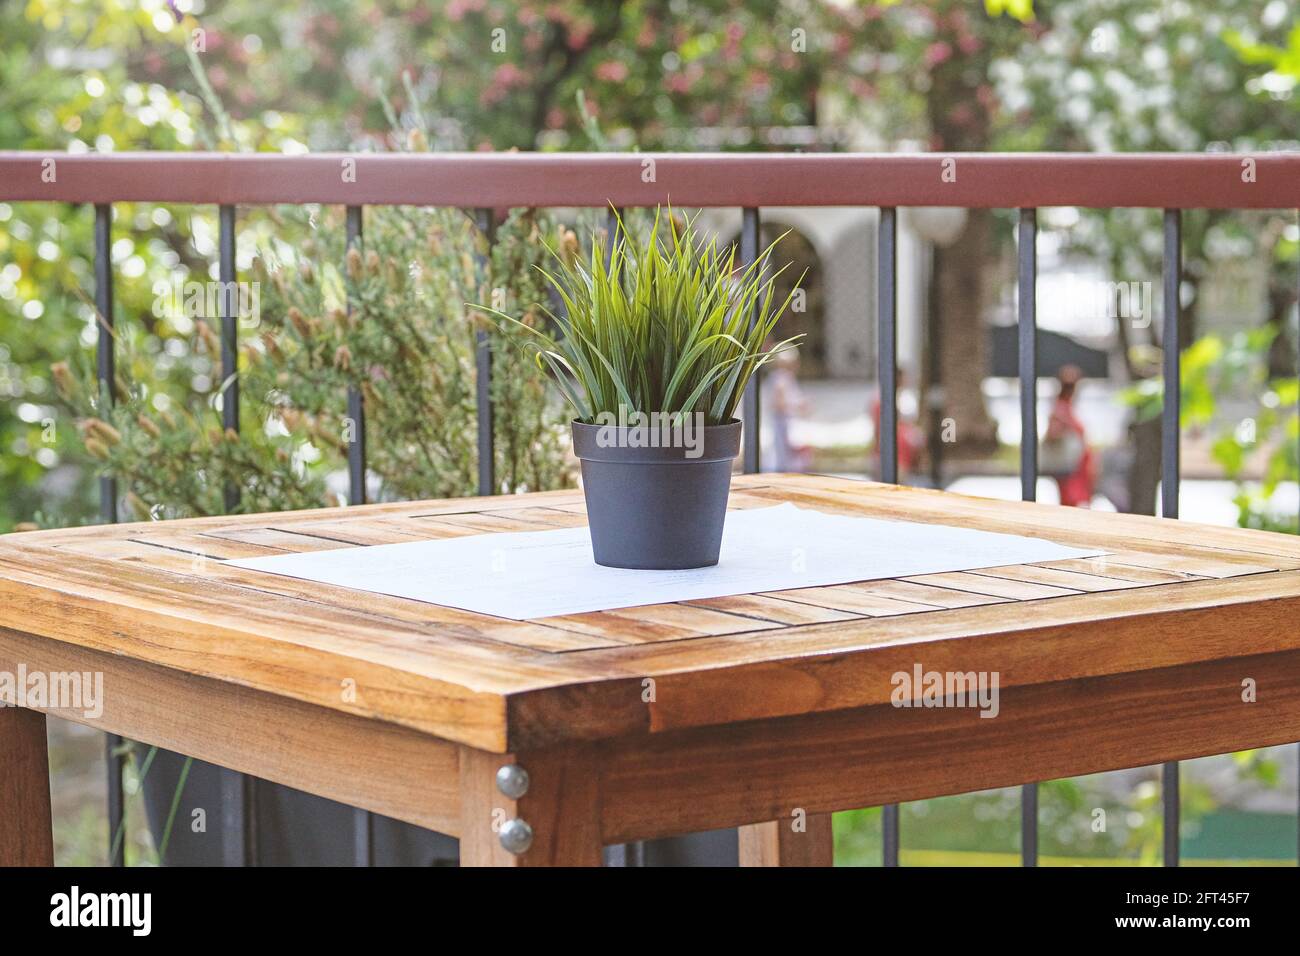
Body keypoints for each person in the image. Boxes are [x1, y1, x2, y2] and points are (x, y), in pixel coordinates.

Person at [1046, 364, 1096, 507]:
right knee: (1073, 503)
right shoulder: (1060, 409)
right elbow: (1052, 435)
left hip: (1080, 466)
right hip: (1070, 467)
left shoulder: (1070, 406)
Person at [762, 347, 811, 472]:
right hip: (783, 423)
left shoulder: (782, 378)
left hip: (786, 422)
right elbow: (779, 404)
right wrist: (798, 405)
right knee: (785, 455)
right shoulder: (781, 379)